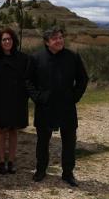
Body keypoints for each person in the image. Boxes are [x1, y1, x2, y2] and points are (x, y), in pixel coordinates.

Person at [26, 27, 89, 187]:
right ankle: (41, 170)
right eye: (55, 38)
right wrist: (38, 98)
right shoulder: (36, 58)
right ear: (47, 42)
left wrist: (74, 97)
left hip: (66, 106)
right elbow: (28, 81)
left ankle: (68, 173)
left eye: (61, 37)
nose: (59, 40)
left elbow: (83, 79)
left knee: (69, 141)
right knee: (42, 141)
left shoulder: (72, 57)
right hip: (45, 106)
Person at [0, 27, 29, 175]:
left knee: (14, 130)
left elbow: (27, 79)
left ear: (14, 41)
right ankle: (1, 161)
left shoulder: (23, 58)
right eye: (4, 39)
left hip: (18, 98)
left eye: (9, 39)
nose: (7, 42)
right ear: (0, 42)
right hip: (0, 99)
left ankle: (11, 161)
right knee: (1, 130)